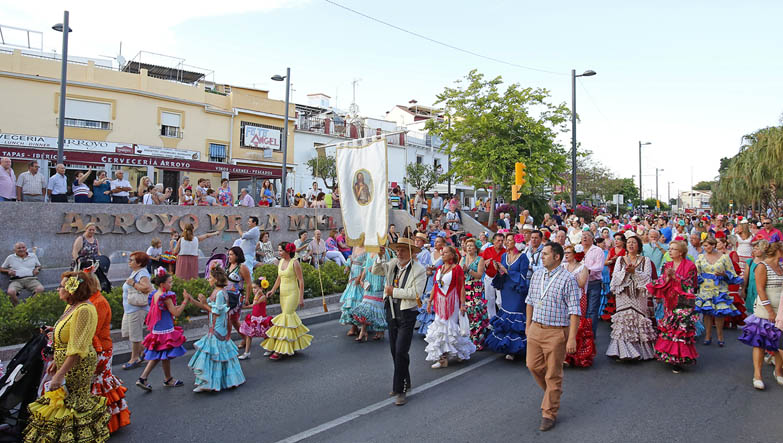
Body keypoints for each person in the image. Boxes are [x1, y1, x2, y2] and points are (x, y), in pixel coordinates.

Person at [23, 272, 111, 442]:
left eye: (61, 287)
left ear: (72, 289)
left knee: (72, 406)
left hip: (76, 366)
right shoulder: (72, 306)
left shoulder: (84, 309)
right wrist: (56, 359)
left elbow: (77, 348)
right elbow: (66, 335)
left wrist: (59, 375)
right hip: (66, 362)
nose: (58, 289)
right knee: (63, 406)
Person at [525, 242, 581, 432]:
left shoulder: (568, 279)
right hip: (535, 328)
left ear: (557, 257)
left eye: (546, 254)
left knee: (553, 373)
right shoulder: (538, 274)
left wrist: (571, 338)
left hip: (556, 332)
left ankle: (549, 413)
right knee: (532, 365)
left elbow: (575, 311)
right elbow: (530, 301)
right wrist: (528, 325)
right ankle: (552, 393)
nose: (542, 257)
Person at [72, 262, 130, 434]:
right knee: (97, 386)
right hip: (95, 348)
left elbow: (92, 331)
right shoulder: (89, 301)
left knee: (100, 386)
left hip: (101, 349)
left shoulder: (98, 302)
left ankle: (107, 422)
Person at [371, 237, 427, 406]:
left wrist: (393, 291)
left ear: (410, 252)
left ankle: (400, 389)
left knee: (401, 351)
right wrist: (379, 256)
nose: (399, 253)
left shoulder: (419, 270)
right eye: (398, 250)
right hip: (391, 310)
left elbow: (415, 294)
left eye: (403, 250)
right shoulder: (393, 263)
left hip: (407, 314)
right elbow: (376, 271)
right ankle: (405, 380)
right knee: (395, 350)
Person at [186, 266, 246, 392]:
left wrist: (204, 303)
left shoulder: (219, 293)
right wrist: (191, 300)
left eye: (210, 277)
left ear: (216, 279)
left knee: (212, 353)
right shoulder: (218, 292)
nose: (208, 278)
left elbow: (216, 312)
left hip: (218, 327)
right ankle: (215, 382)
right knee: (216, 354)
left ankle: (208, 383)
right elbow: (207, 307)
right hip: (216, 326)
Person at [646, 240, 699, 373]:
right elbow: (662, 280)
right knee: (670, 328)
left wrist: (674, 277)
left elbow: (690, 285)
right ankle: (669, 355)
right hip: (670, 300)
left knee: (681, 328)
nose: (669, 251)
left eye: (673, 249)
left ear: (680, 252)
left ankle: (679, 359)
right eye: (669, 248)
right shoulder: (667, 264)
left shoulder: (690, 266)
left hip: (684, 301)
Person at [737, 241, 783, 390]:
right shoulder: (762, 266)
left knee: (779, 342)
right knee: (760, 342)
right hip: (766, 309)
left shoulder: (781, 267)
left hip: (780, 308)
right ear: (779, 252)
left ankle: (778, 371)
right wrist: (770, 311)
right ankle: (757, 375)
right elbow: (760, 289)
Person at [135, 268, 188, 391]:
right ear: (162, 284)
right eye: (170, 282)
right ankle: (162, 378)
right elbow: (176, 312)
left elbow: (163, 310)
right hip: (166, 330)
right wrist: (185, 300)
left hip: (157, 329)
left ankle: (158, 378)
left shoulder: (154, 294)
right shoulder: (166, 297)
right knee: (163, 355)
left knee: (160, 355)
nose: (171, 284)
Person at [606, 232, 656, 361]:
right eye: (628, 242)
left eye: (634, 242)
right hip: (623, 294)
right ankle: (623, 352)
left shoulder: (646, 260)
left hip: (639, 295)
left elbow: (647, 278)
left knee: (638, 319)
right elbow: (615, 277)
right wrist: (626, 271)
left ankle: (640, 351)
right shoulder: (620, 259)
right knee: (624, 320)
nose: (631, 244)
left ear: (639, 246)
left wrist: (635, 272)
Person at [424, 245, 476, 367]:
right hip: (439, 302)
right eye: (442, 252)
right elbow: (435, 286)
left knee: (450, 328)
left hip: (452, 302)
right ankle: (442, 359)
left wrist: (463, 304)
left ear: (452, 255)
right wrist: (430, 301)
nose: (443, 254)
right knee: (439, 328)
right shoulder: (439, 269)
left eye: (446, 252)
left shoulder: (457, 269)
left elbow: (462, 287)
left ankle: (460, 351)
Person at [262, 242, 312, 360]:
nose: (278, 252)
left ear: (287, 251)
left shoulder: (295, 263)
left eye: (280, 250)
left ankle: (280, 350)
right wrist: (273, 290)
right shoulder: (280, 262)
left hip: (293, 294)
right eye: (278, 250)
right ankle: (290, 345)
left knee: (286, 317)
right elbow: (279, 277)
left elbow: (301, 281)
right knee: (287, 321)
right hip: (283, 294)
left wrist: (301, 297)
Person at [485, 234, 530, 360]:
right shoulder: (504, 256)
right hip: (506, 290)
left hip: (517, 290)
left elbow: (523, 276)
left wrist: (507, 271)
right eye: (507, 240)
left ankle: (515, 348)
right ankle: (506, 346)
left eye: (510, 240)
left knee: (515, 317)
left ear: (517, 243)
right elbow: (502, 273)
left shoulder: (523, 257)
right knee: (505, 315)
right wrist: (498, 270)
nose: (507, 242)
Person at [695, 236, 741, 346]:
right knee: (707, 312)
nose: (706, 248)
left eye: (709, 245)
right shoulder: (701, 257)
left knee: (719, 313)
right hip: (705, 287)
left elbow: (732, 273)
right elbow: (696, 272)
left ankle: (720, 336)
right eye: (705, 246)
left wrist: (724, 274)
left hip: (720, 287)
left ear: (714, 245)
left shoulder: (724, 257)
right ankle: (708, 335)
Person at [562, 245, 596, 368]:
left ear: (575, 254)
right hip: (565, 298)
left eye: (569, 252)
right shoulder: (563, 266)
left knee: (577, 324)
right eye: (565, 252)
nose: (566, 255)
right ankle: (564, 355)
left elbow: (581, 283)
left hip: (578, 297)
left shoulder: (583, 267)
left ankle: (575, 354)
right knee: (564, 324)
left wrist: (569, 278)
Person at [120, 252, 153, 370]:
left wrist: (133, 283)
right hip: (130, 309)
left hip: (137, 309)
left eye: (132, 260)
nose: (129, 261)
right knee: (128, 332)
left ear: (139, 263)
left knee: (135, 335)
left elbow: (146, 288)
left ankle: (135, 358)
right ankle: (148, 352)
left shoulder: (142, 273)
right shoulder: (136, 272)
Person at [352, 251, 389, 341]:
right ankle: (363, 330)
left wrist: (375, 267)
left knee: (377, 306)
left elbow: (387, 267)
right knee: (366, 305)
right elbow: (365, 267)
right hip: (368, 281)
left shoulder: (384, 252)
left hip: (378, 281)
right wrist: (361, 279)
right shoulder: (369, 252)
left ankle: (380, 330)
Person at [461, 238, 488, 349]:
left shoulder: (480, 259)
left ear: (476, 248)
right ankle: (466, 339)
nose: (469, 248)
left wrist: (468, 270)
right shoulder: (462, 259)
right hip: (465, 287)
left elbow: (479, 275)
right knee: (466, 312)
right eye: (468, 246)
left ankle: (477, 340)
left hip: (475, 288)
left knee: (476, 312)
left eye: (471, 246)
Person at [238, 277, 273, 359]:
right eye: (252, 288)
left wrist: (257, 294)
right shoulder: (258, 297)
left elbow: (254, 303)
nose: (253, 290)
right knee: (249, 335)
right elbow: (252, 306)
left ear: (261, 288)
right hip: (254, 318)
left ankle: (270, 348)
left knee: (265, 335)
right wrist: (243, 307)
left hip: (261, 319)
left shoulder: (263, 297)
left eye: (255, 288)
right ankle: (247, 352)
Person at [417, 236, 445, 337]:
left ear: (442, 244)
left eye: (438, 242)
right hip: (429, 279)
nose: (436, 243)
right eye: (435, 241)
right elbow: (426, 265)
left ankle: (435, 328)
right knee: (428, 301)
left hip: (439, 280)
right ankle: (426, 328)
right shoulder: (431, 253)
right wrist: (428, 270)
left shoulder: (444, 255)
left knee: (436, 302)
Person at [225, 246, 253, 345]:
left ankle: (245, 338)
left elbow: (249, 283)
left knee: (233, 320)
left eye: (231, 254)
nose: (229, 256)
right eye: (229, 254)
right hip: (226, 296)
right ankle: (244, 338)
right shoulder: (227, 266)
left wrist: (247, 298)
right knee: (231, 320)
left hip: (236, 297)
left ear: (237, 255)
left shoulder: (242, 267)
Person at [581, 231, 604, 338]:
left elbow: (599, 267)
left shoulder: (598, 250)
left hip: (593, 283)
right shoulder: (577, 249)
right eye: (583, 236)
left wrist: (586, 270)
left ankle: (590, 335)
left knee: (591, 310)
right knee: (581, 310)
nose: (585, 237)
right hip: (580, 284)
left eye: (587, 236)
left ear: (592, 238)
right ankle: (580, 334)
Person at [340, 245, 367, 336]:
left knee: (359, 301)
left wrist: (360, 278)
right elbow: (351, 258)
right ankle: (354, 326)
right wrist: (347, 267)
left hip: (360, 275)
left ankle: (361, 326)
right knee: (350, 301)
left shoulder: (367, 248)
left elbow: (367, 264)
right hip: (352, 275)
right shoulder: (355, 247)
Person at [602, 232, 626, 321]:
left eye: (618, 239)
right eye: (615, 239)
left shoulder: (625, 250)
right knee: (613, 293)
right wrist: (612, 261)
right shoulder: (611, 250)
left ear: (623, 241)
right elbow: (605, 262)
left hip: (622, 274)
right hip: (612, 273)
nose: (616, 241)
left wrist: (619, 260)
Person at [482, 233, 506, 319]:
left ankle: (502, 318)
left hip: (500, 278)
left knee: (500, 301)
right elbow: (481, 263)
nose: (500, 242)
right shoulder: (488, 250)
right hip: (489, 276)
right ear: (494, 241)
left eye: (502, 241)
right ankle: (491, 319)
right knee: (489, 300)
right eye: (498, 240)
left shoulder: (505, 251)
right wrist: (485, 264)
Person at [742, 240, 768, 316]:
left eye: (757, 248)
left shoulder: (767, 262)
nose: (755, 250)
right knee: (752, 312)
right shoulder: (750, 262)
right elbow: (746, 277)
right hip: (751, 290)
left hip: (762, 290)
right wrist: (743, 290)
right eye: (754, 248)